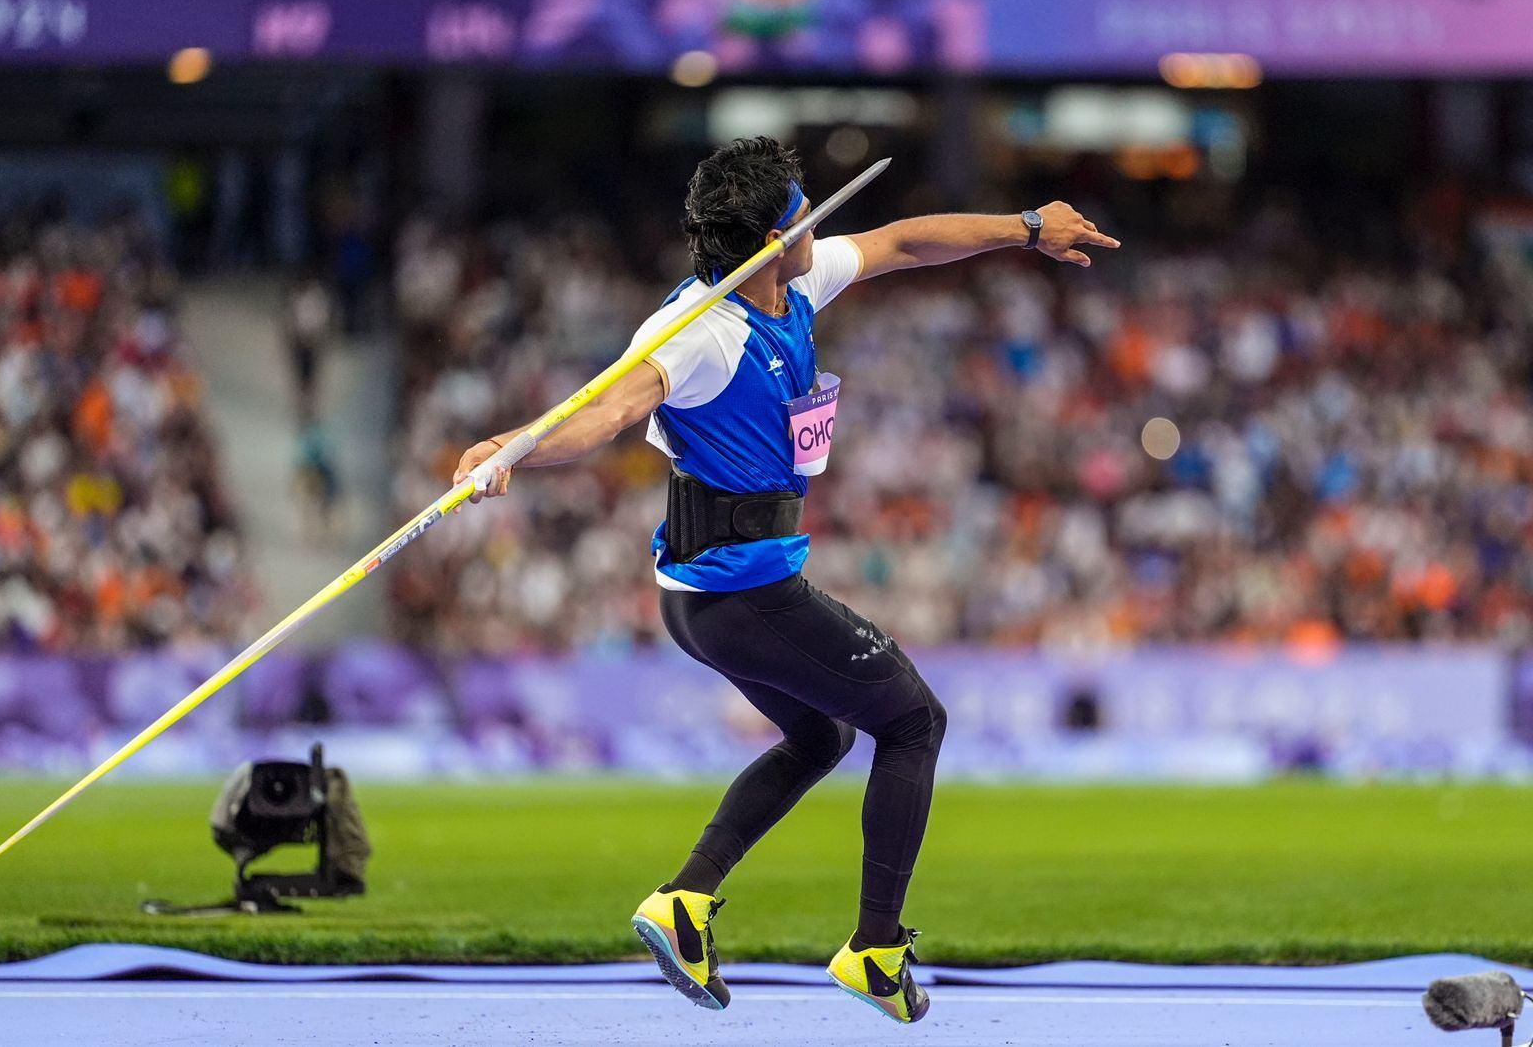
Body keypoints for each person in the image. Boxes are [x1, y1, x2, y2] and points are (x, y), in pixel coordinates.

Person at [453, 137, 1118, 1023]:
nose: (819, 218)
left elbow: (904, 242)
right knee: (914, 721)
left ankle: (683, 903)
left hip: (711, 592)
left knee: (823, 738)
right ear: (774, 236)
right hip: (741, 596)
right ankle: (875, 950)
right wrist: (513, 448)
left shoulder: (794, 283)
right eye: (804, 209)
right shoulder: (698, 333)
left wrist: (1027, 227)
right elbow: (607, 410)